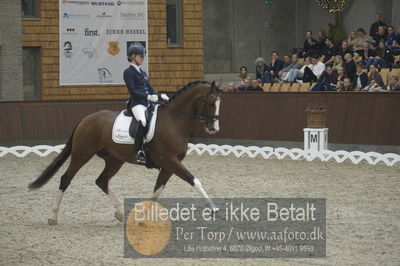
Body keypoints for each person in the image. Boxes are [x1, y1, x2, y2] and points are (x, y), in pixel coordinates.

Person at [124, 43, 169, 163]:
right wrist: (148, 96)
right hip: (137, 104)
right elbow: (133, 92)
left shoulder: (143, 73)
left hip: (148, 103)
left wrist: (160, 95)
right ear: (133, 56)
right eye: (141, 56)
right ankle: (138, 152)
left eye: (143, 56)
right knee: (143, 121)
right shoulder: (128, 72)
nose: (143, 58)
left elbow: (151, 90)